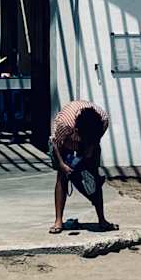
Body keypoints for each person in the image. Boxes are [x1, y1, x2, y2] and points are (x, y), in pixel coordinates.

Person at [49, 100, 115, 235]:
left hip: (89, 143)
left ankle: (102, 220)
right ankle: (58, 220)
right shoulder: (64, 123)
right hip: (64, 144)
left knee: (94, 178)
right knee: (62, 177)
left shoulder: (103, 120)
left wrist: (89, 149)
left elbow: (96, 139)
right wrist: (62, 164)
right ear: (77, 130)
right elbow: (55, 143)